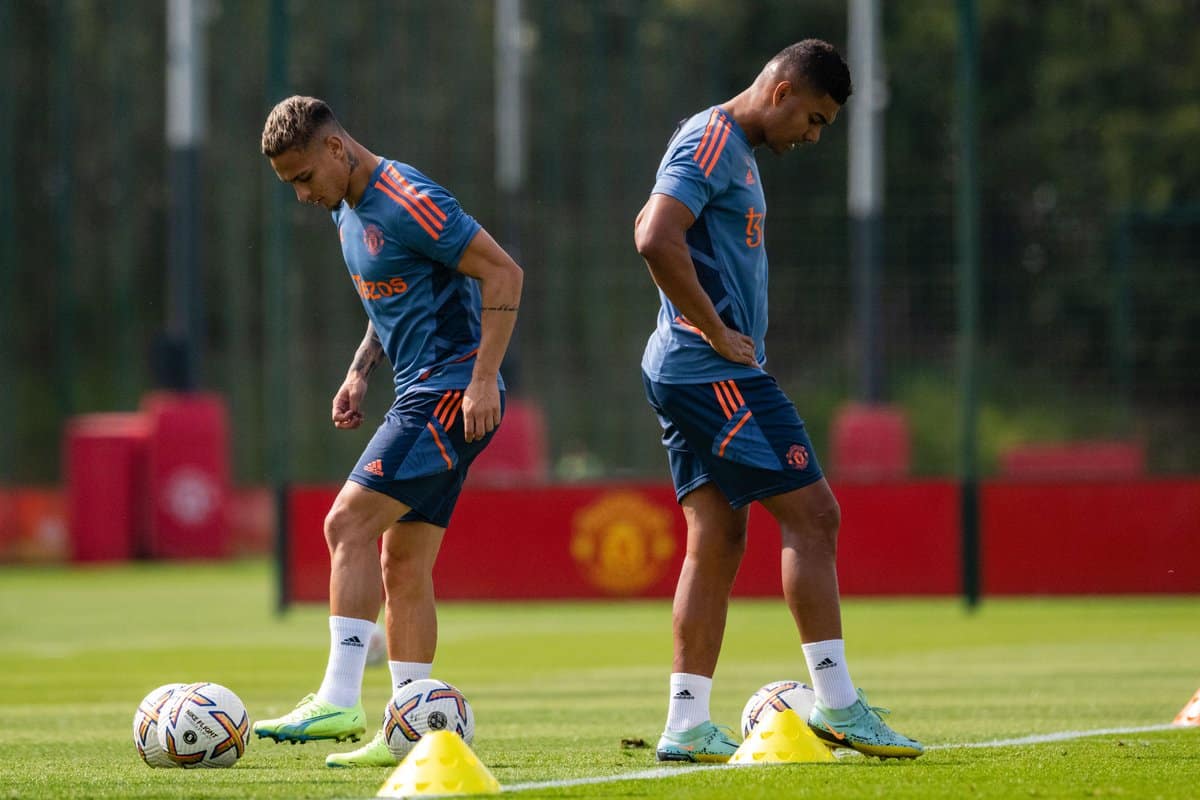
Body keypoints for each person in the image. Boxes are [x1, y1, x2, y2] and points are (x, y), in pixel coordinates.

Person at [633, 40, 923, 761]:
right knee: (816, 515)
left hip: (684, 366)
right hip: (706, 368)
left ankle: (685, 722)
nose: (813, 137)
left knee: (719, 537)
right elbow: (653, 235)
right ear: (783, 89)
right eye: (815, 119)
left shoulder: (737, 152)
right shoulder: (710, 139)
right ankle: (838, 704)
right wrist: (717, 330)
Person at [254, 96, 523, 768]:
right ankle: (411, 731)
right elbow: (394, 297)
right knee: (403, 564)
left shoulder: (408, 197)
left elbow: (503, 271)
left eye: (304, 178)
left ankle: (339, 695)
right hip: (419, 389)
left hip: (448, 392)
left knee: (345, 524)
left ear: (336, 149)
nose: (302, 195)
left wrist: (484, 378)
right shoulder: (348, 208)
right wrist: (358, 373)